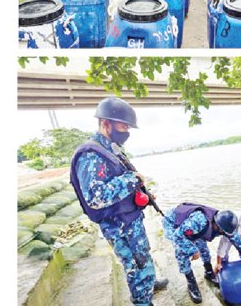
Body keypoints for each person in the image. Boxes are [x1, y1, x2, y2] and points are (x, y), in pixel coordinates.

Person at [69, 97, 169, 306]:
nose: (127, 131)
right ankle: (143, 301)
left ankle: (147, 285)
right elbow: (96, 198)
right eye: (123, 126)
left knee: (143, 257)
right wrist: (131, 179)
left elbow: (116, 183)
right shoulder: (90, 154)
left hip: (130, 219)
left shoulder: (109, 147)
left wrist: (142, 194)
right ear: (106, 123)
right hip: (119, 226)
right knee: (135, 264)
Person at [163, 202, 241, 304]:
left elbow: (237, 241)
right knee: (182, 254)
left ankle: (208, 272)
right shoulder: (199, 222)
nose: (223, 234)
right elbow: (177, 236)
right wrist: (193, 250)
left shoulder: (224, 224)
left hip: (191, 228)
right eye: (222, 232)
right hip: (174, 224)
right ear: (216, 226)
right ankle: (191, 282)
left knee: (204, 249)